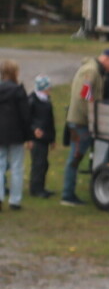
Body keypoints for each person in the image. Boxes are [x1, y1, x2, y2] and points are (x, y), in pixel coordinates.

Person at [61, 49, 109, 205]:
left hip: (83, 120)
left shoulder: (94, 70)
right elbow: (85, 95)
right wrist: (91, 117)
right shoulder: (91, 71)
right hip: (81, 121)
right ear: (107, 59)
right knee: (75, 157)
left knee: (77, 156)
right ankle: (67, 195)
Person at [0, 59, 32, 211]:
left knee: (0, 166)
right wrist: (29, 136)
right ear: (14, 73)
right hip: (16, 133)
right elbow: (25, 116)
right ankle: (15, 200)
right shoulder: (18, 91)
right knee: (17, 167)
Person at [27, 74, 56, 199]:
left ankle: (41, 186)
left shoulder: (46, 101)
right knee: (38, 163)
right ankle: (36, 189)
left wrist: (52, 139)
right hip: (36, 138)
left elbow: (50, 121)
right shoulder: (32, 100)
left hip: (45, 138)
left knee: (44, 163)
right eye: (48, 87)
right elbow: (26, 120)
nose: (50, 90)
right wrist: (32, 131)